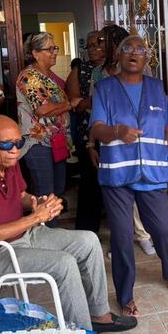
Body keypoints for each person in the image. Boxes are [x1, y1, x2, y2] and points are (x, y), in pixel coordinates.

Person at [0, 115, 136, 334]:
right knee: (64, 264)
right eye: (6, 144)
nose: (15, 150)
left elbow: (20, 195)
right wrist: (35, 218)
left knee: (89, 241)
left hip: (21, 235)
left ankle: (99, 316)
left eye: (19, 143)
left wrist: (39, 203)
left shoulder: (7, 161)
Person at [90, 35, 168, 317]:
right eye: (127, 49)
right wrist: (116, 131)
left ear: (147, 58)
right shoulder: (105, 88)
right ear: (118, 56)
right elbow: (96, 129)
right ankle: (125, 295)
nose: (133, 53)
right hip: (118, 173)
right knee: (121, 235)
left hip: (153, 172)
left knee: (163, 229)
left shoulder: (156, 88)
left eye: (140, 49)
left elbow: (166, 130)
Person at [88, 25, 156, 256]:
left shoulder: (142, 71)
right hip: (110, 142)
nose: (98, 46)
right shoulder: (99, 73)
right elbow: (94, 113)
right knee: (117, 197)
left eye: (102, 41)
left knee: (137, 189)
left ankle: (143, 234)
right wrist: (91, 143)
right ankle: (120, 241)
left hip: (136, 141)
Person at [16, 33, 82, 209]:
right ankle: (45, 225)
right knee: (46, 195)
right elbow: (42, 109)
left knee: (58, 190)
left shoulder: (48, 75)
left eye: (55, 48)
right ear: (35, 53)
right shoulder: (29, 76)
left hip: (56, 141)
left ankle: (52, 224)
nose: (54, 52)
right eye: (49, 49)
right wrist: (70, 104)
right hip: (39, 143)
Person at [67, 31, 106, 233]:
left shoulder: (114, 67)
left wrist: (92, 101)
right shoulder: (80, 69)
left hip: (111, 134)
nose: (93, 48)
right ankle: (87, 231)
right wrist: (97, 99)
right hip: (87, 132)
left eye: (97, 43)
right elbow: (76, 104)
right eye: (89, 45)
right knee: (89, 183)